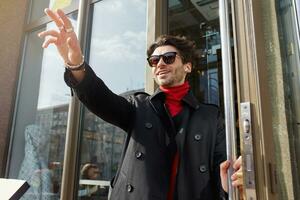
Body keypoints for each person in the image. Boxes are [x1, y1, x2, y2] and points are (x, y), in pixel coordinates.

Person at [38, 8, 243, 200]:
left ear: (187, 66)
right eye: (154, 61)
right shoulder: (139, 106)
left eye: (169, 58)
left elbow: (221, 171)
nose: (160, 63)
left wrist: (230, 183)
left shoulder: (209, 116)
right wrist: (75, 62)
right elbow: (100, 99)